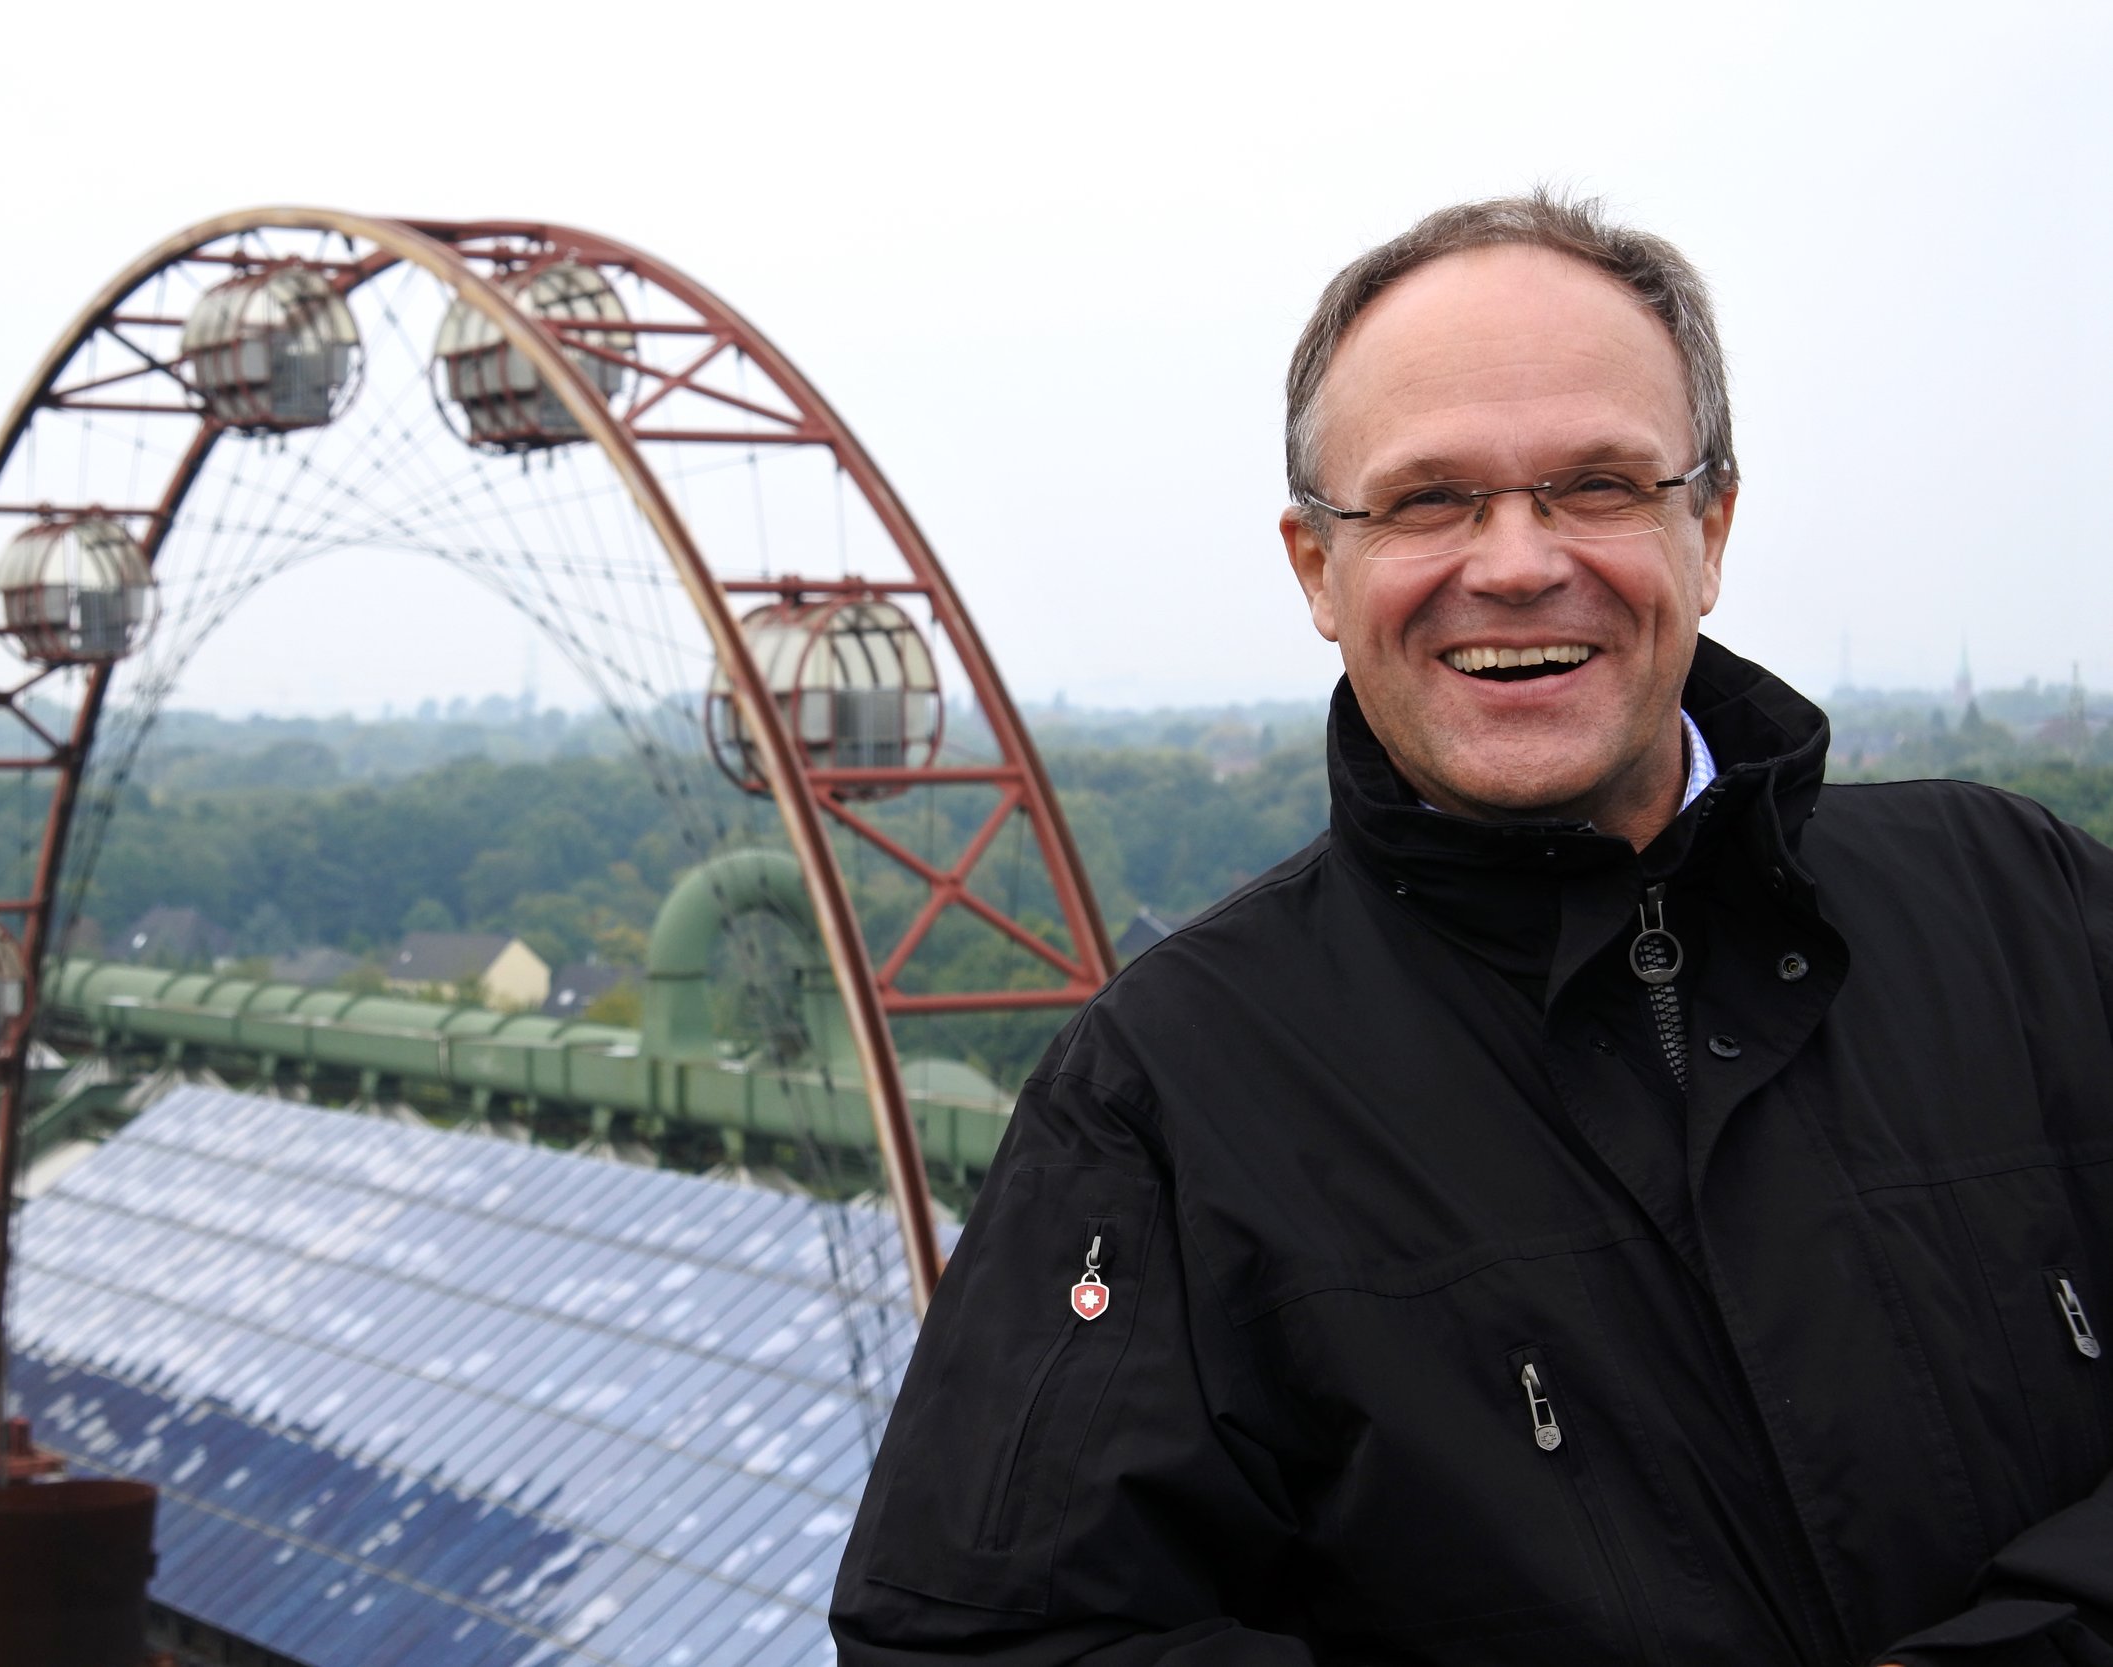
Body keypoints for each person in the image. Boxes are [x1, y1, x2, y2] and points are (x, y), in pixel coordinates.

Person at [830, 192, 2113, 1665]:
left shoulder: (2023, 910)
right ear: (1318, 568)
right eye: (1428, 499)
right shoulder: (1167, 1096)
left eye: (1596, 483)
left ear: (1710, 530)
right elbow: (989, 1645)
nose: (1514, 562)